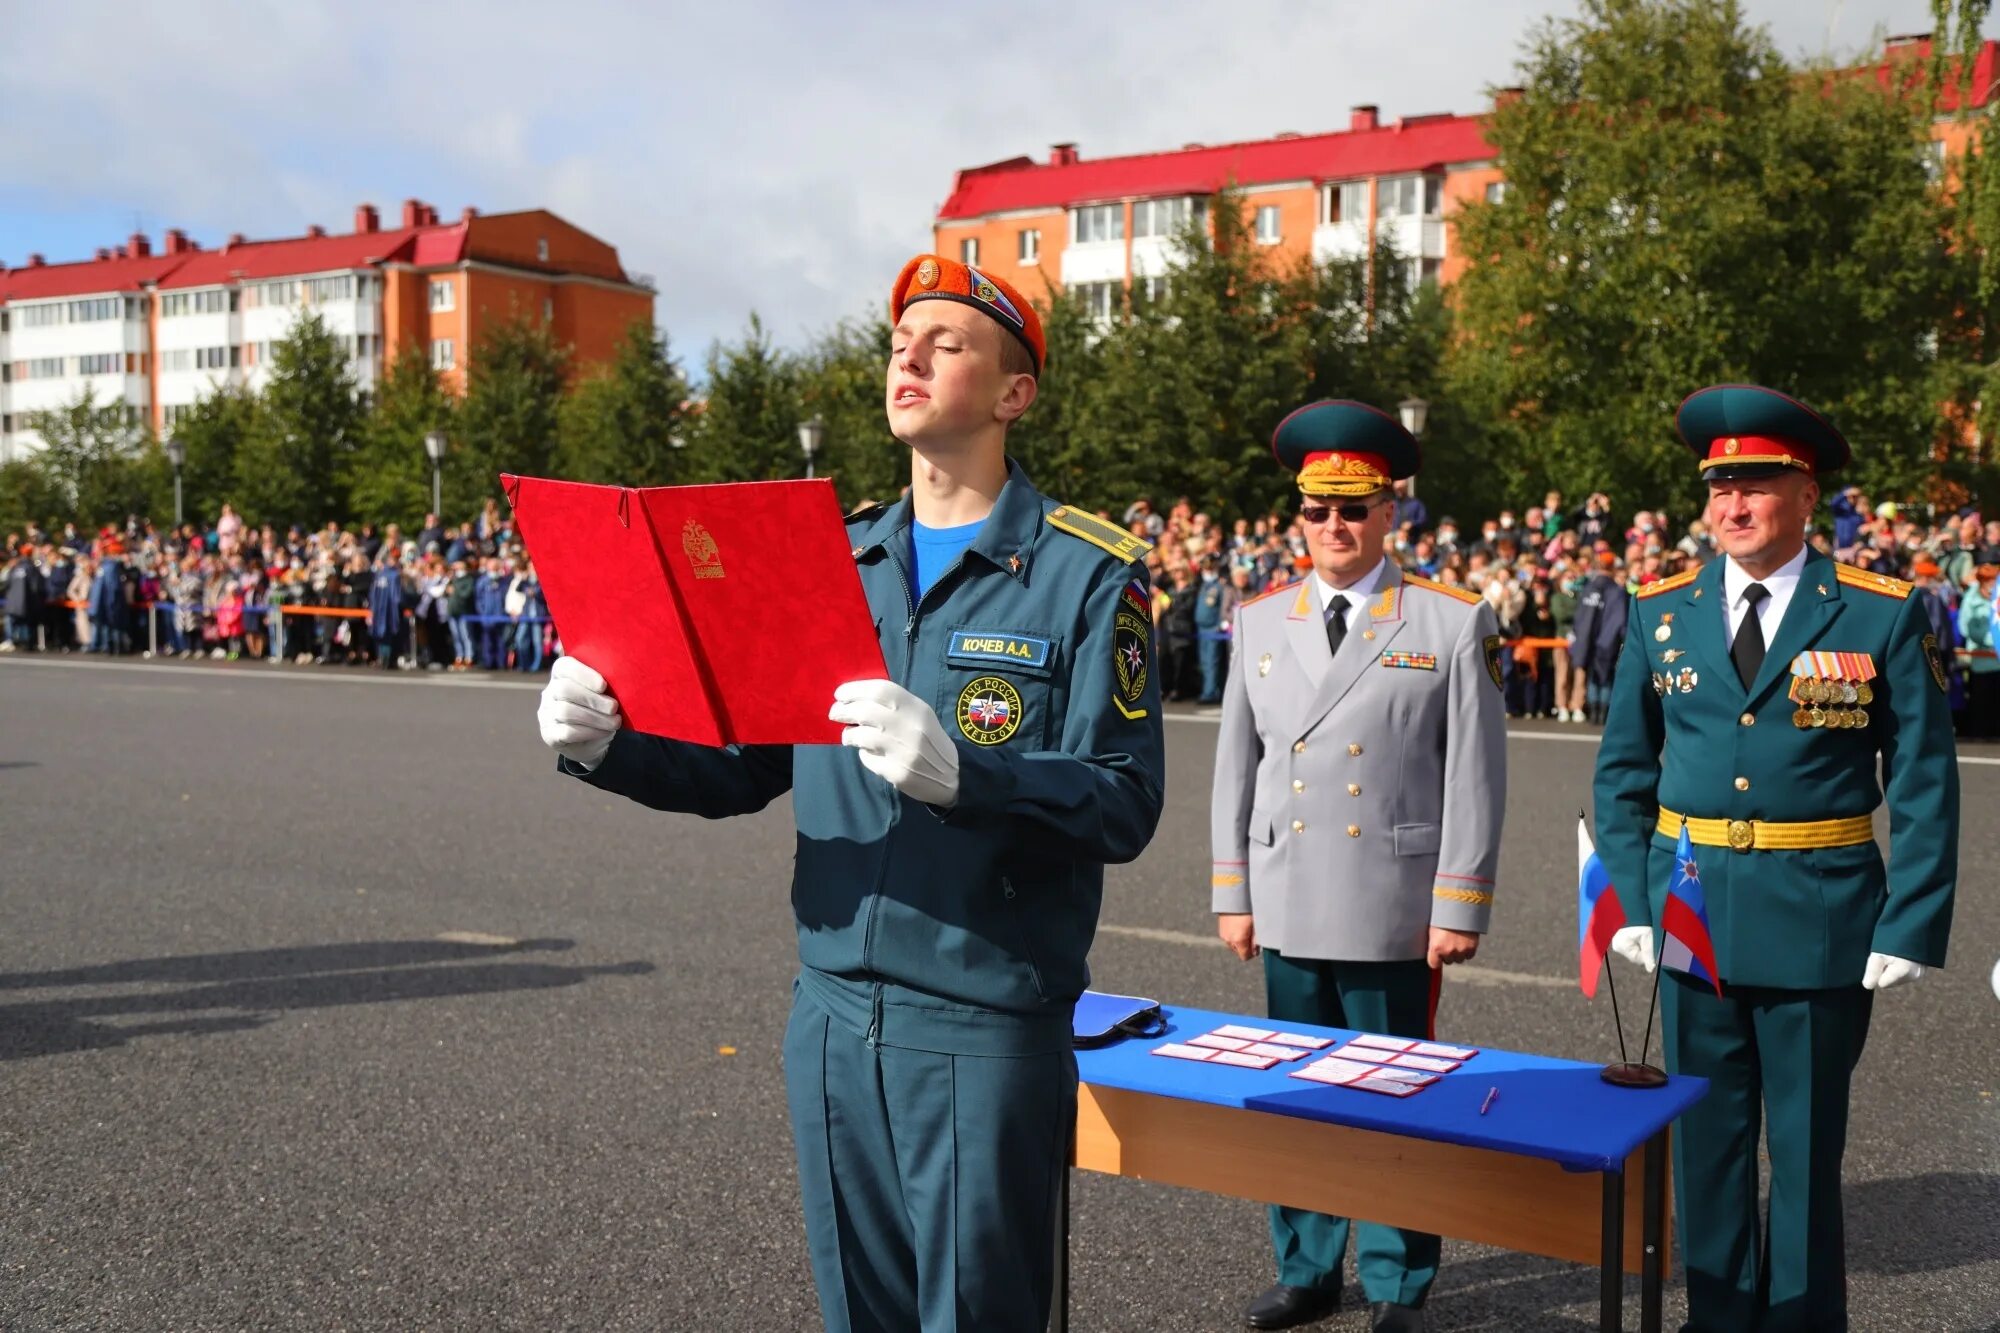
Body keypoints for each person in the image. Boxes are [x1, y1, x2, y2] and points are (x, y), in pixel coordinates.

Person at [536, 253, 1165, 1333]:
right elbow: (745, 764)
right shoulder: (832, 561)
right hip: (828, 1013)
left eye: (946, 343)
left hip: (978, 1022)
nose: (907, 356)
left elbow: (1122, 801)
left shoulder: (1086, 575)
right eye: (896, 343)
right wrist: (611, 747)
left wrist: (973, 777)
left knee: (980, 1318)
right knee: (857, 1315)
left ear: (1014, 393)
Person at [1593, 385, 1958, 1333]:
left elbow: (1921, 777)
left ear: (1807, 494)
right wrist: (1633, 900)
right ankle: (1716, 1318)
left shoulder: (1878, 614)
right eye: (1719, 488)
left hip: (1822, 920)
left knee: (1802, 1153)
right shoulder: (1660, 611)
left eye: (1755, 484)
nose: (1731, 507)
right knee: (1707, 1149)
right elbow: (1623, 772)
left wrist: (1912, 919)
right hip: (1690, 918)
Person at [1210, 400, 1507, 1333]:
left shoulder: (1450, 621)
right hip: (1290, 893)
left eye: (1355, 507)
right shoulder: (1259, 620)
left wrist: (1460, 898)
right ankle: (1306, 1266)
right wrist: (1233, 889)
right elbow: (1235, 764)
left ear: (1391, 512)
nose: (1334, 527)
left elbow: (1475, 774)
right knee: (1300, 1092)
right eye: (1316, 509)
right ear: (1298, 516)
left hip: (1392, 900)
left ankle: (1397, 1281)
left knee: (1393, 1094)